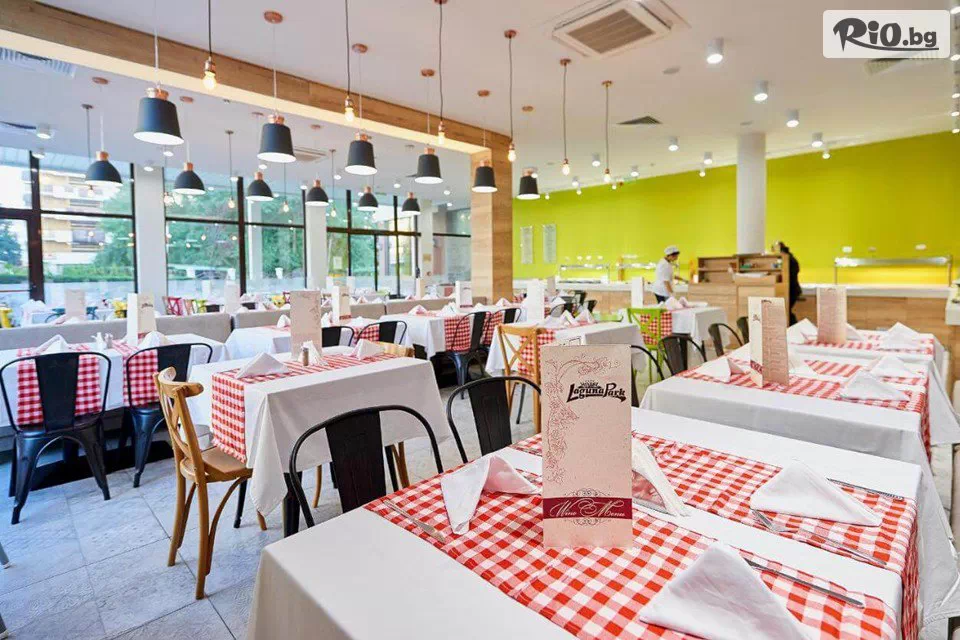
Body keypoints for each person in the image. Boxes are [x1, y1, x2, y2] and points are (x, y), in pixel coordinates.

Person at [776, 240, 802, 325]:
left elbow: (789, 275)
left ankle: (794, 327)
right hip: (794, 289)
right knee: (787, 310)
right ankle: (794, 327)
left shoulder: (786, 259)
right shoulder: (791, 258)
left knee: (786, 311)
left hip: (791, 289)